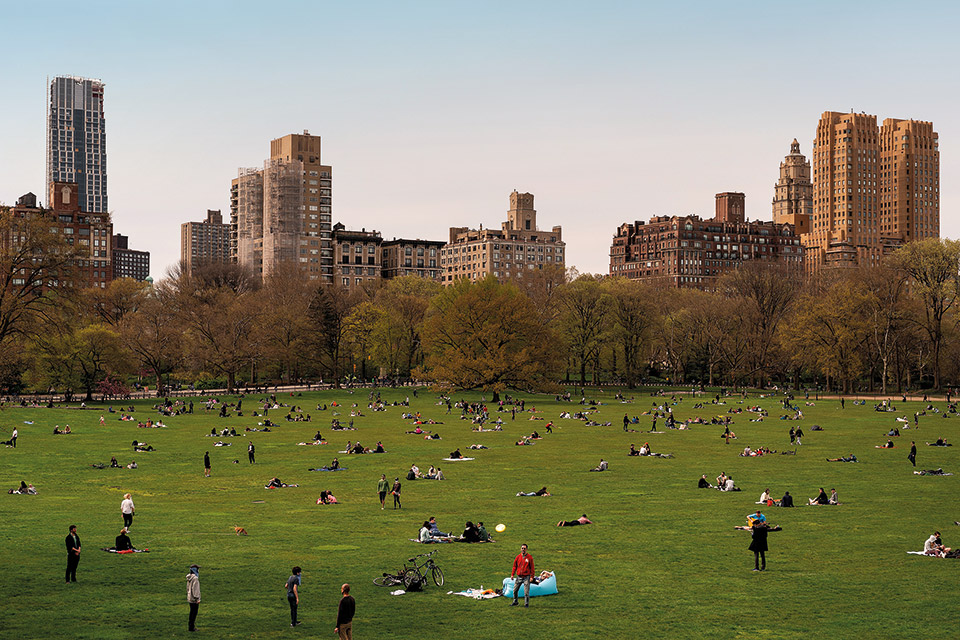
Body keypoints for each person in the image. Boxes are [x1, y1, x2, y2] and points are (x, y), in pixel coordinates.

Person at [186, 564, 201, 632]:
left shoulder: (189, 578)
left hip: (190, 597)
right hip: (194, 599)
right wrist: (197, 598)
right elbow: (196, 590)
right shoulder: (195, 579)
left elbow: (188, 588)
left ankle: (190, 627)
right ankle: (192, 628)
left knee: (191, 613)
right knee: (194, 613)